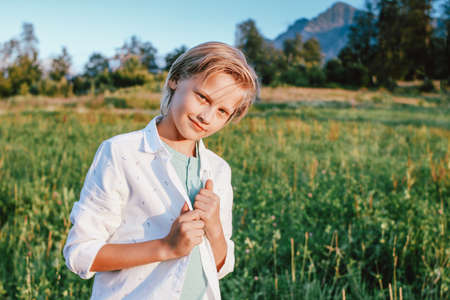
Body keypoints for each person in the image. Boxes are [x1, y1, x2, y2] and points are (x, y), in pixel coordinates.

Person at [63, 41, 260, 300]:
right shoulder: (121, 152)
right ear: (176, 80)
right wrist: (166, 247)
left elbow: (221, 266)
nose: (207, 117)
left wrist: (214, 228)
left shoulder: (218, 170)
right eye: (203, 97)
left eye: (222, 111)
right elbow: (80, 253)